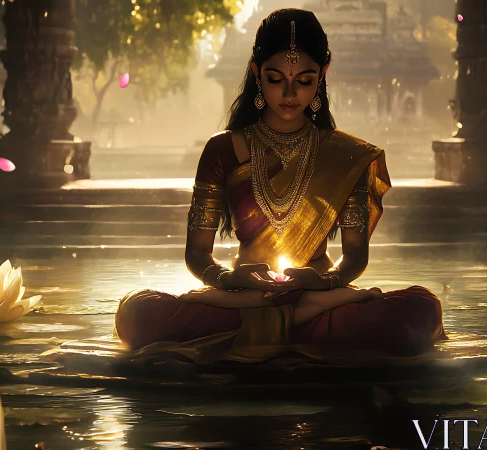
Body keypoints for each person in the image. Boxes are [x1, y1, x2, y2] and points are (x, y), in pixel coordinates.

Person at [114, 8, 446, 360]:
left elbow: (355, 256)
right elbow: (197, 254)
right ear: (257, 73)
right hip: (243, 296)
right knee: (137, 312)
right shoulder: (221, 150)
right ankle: (291, 324)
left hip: (318, 296)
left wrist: (324, 283)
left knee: (421, 307)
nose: (289, 94)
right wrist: (229, 280)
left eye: (304, 80)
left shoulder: (346, 155)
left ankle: (275, 326)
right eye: (276, 79)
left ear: (322, 75)